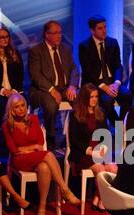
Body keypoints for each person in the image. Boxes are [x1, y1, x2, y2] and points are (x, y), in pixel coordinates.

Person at [2, 93, 81, 215]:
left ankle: (42, 206)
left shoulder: (33, 119)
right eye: (17, 107)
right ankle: (65, 189)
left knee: (44, 167)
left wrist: (26, 149)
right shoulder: (7, 125)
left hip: (35, 157)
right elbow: (14, 150)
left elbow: (39, 143)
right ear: (11, 109)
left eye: (23, 105)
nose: (21, 109)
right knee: (49, 154)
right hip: (19, 161)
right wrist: (30, 148)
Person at [29, 20, 80, 149]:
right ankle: (51, 139)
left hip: (64, 88)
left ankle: (76, 137)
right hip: (43, 90)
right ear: (47, 34)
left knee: (82, 100)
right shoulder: (36, 51)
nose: (59, 36)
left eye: (60, 33)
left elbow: (74, 69)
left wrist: (73, 86)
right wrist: (51, 89)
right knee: (51, 104)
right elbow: (35, 75)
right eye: (55, 33)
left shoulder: (65, 48)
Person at [68, 83, 117, 212]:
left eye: (96, 96)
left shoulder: (100, 113)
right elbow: (75, 140)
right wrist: (90, 151)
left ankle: (97, 198)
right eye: (91, 97)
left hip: (98, 152)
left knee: (113, 168)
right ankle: (102, 202)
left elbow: (106, 135)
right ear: (85, 98)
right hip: (82, 153)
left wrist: (103, 149)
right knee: (100, 169)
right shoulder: (75, 115)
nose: (95, 99)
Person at [78, 15, 132, 127]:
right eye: (100, 28)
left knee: (127, 95)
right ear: (92, 30)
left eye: (105, 27)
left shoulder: (113, 43)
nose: (104, 30)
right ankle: (119, 128)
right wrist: (103, 86)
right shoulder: (84, 46)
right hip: (95, 84)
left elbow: (118, 66)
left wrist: (117, 83)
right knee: (106, 101)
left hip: (113, 82)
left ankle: (123, 125)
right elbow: (88, 71)